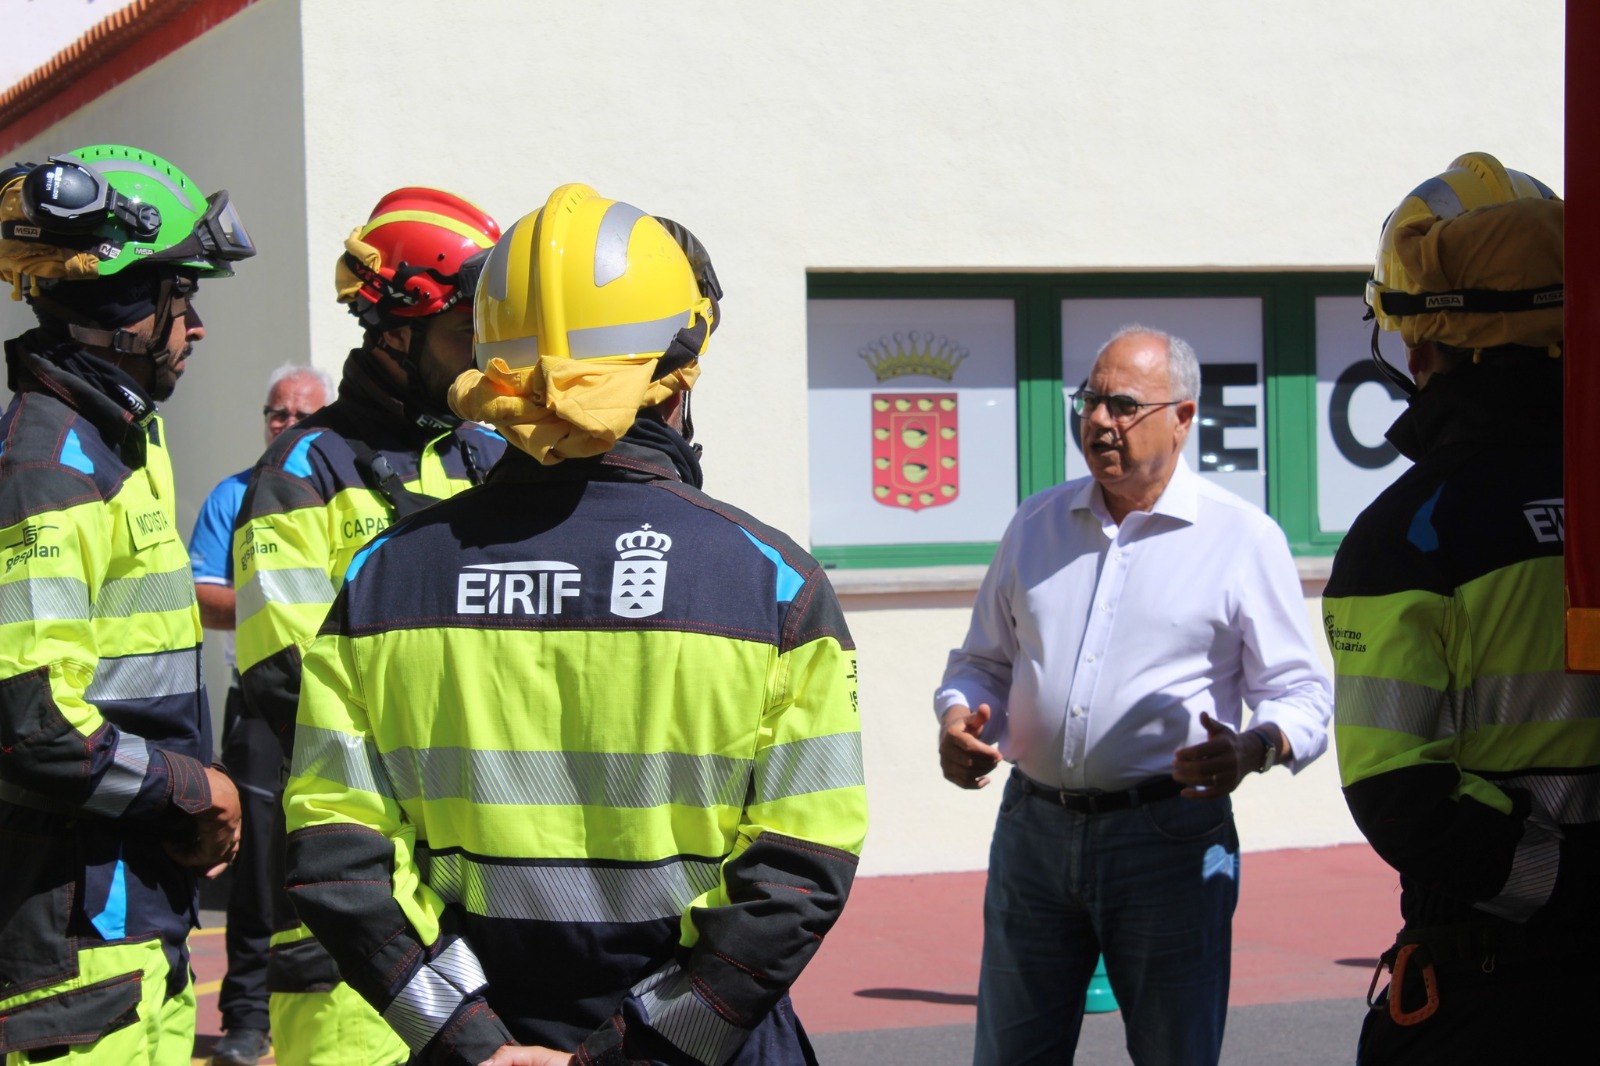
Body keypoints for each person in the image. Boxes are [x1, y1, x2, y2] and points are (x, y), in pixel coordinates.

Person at [281, 183, 868, 1066]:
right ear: (678, 372)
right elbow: (800, 866)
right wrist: (631, 1052)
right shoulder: (773, 585)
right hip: (696, 1049)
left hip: (478, 1037)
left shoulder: (383, 579)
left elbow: (337, 856)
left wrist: (467, 1039)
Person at [936, 325, 1333, 1066]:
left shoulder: (1242, 538)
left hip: (1170, 841)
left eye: (1122, 405)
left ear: (1182, 418)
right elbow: (981, 663)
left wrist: (1255, 747)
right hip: (1034, 830)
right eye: (1088, 401)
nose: (1097, 421)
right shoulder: (1037, 523)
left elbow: (1301, 692)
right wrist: (957, 717)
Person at [1325, 153, 1600, 1063]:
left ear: (1420, 343)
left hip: (1498, 1000)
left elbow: (1398, 795)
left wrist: (1565, 882)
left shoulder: (1410, 536)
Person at [231, 188, 506, 1066]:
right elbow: (287, 680)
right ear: (394, 329)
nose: (484, 363)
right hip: (355, 914)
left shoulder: (490, 458)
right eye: (464, 336)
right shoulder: (301, 472)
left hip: (485, 889)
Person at [0, 145, 252, 1063]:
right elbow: (32, 726)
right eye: (176, 296)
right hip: (73, 959)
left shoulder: (119, 445)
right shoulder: (47, 469)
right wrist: (196, 789)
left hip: (139, 933)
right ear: (114, 307)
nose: (193, 326)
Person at [188, 363, 331, 1066]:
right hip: (259, 706)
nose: (288, 424)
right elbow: (201, 592)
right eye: (277, 413)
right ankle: (246, 1016)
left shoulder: (341, 488)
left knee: (337, 854)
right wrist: (274, 604)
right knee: (257, 868)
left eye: (303, 413)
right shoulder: (233, 494)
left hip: (338, 707)